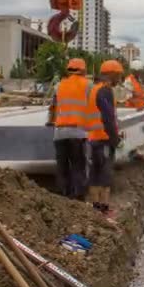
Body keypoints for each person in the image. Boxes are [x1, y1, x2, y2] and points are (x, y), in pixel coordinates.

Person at [47, 58, 91, 200]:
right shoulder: (88, 85)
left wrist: (50, 122)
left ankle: (63, 200)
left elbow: (53, 108)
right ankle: (78, 200)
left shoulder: (59, 85)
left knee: (62, 168)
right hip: (78, 133)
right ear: (83, 70)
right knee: (78, 166)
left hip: (59, 133)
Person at [86, 60, 123, 215]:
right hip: (104, 138)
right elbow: (107, 118)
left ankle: (95, 207)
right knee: (105, 174)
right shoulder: (105, 91)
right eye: (118, 76)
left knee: (95, 173)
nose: (119, 80)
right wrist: (115, 139)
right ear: (111, 74)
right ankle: (105, 208)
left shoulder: (95, 89)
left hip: (93, 137)